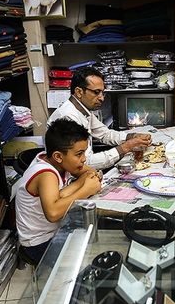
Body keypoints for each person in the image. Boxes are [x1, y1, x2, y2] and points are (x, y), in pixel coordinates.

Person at [15, 119, 102, 265]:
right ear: (58, 156)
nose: (84, 159)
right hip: (39, 242)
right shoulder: (46, 174)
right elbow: (53, 213)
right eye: (79, 154)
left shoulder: (57, 161)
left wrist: (70, 190)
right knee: (90, 259)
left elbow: (91, 172)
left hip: (55, 231)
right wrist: (85, 189)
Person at [47, 67, 152, 170]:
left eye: (102, 93)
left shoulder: (82, 110)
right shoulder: (68, 117)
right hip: (71, 176)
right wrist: (126, 147)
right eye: (96, 92)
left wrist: (132, 136)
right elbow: (84, 163)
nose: (101, 98)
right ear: (79, 92)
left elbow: (105, 134)